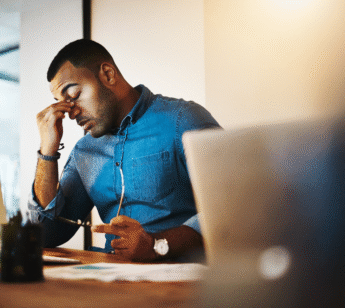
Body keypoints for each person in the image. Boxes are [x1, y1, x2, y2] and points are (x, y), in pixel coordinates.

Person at [27, 39, 220, 262]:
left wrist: (155, 245)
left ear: (108, 75)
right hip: (113, 281)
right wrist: (47, 152)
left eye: (74, 95)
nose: (70, 113)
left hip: (181, 282)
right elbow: (46, 235)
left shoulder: (183, 120)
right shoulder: (85, 152)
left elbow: (232, 208)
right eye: (62, 103)